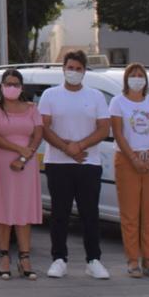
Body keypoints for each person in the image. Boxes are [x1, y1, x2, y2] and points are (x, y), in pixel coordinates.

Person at [40, 50, 111, 279]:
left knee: (89, 213)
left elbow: (103, 128)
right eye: (70, 68)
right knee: (60, 213)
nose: (74, 72)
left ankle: (93, 260)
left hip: (89, 163)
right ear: (63, 69)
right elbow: (45, 127)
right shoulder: (50, 95)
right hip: (57, 163)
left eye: (78, 69)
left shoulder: (96, 96)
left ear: (84, 71)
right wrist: (66, 148)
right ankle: (59, 259)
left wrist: (79, 146)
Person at [0, 69, 44, 281]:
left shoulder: (32, 108)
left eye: (16, 84)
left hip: (25, 165)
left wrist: (24, 157)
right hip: (2, 164)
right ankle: (4, 256)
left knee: (24, 210)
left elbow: (37, 135)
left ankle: (25, 257)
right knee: (4, 209)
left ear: (21, 87)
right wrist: (18, 150)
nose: (12, 87)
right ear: (2, 86)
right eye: (8, 83)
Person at [110, 63, 149, 279]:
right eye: (132, 75)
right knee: (130, 214)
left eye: (140, 75)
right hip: (127, 161)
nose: (136, 78)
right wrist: (133, 158)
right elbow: (118, 133)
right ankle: (133, 261)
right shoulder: (118, 102)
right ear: (126, 79)